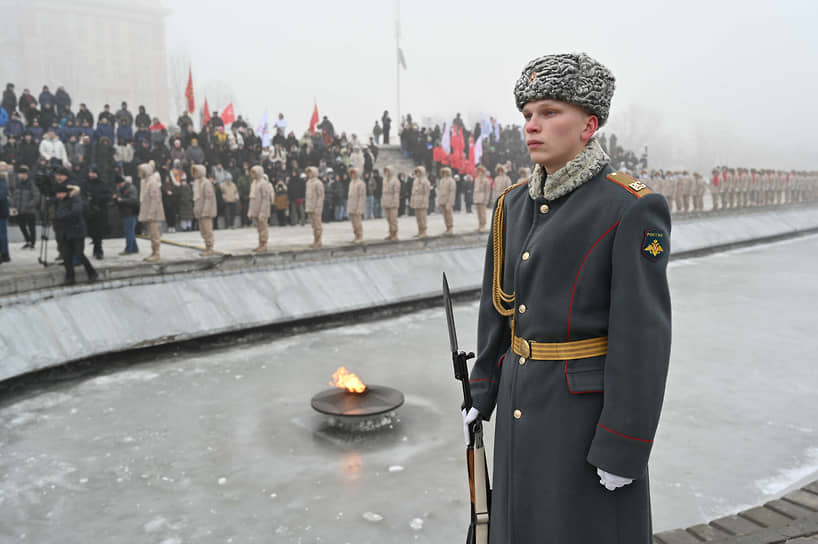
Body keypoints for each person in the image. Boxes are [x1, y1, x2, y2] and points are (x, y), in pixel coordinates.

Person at [464, 52, 671, 543]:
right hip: (520, 401)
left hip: (582, 418)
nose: (532, 126)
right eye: (528, 115)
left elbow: (642, 338)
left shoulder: (629, 206)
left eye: (550, 112)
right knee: (518, 526)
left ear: (589, 125)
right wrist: (482, 388)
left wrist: (624, 445)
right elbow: (500, 309)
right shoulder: (512, 204)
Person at [54, 170, 97, 284]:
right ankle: (70, 277)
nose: (58, 196)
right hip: (65, 232)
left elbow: (75, 212)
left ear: (64, 193)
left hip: (77, 231)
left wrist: (63, 216)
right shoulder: (61, 201)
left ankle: (92, 273)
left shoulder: (75, 198)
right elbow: (58, 214)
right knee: (67, 256)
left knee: (79, 254)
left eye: (59, 193)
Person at [137, 162, 165, 262]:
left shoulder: (152, 182)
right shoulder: (146, 181)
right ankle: (153, 252)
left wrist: (151, 213)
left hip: (153, 214)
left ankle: (156, 253)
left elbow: (155, 199)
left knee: (154, 234)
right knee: (152, 234)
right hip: (149, 213)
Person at [85, 165, 111, 259]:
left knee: (99, 231)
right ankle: (96, 247)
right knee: (92, 231)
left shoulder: (102, 184)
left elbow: (108, 196)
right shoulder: (86, 183)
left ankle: (99, 249)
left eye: (93, 173)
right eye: (90, 172)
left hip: (100, 211)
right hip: (90, 211)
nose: (91, 174)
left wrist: (97, 197)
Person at [10, 164, 39, 249]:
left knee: (31, 227)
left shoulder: (31, 183)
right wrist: (13, 205)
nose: (21, 175)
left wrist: (29, 205)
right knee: (22, 226)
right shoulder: (17, 184)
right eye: (20, 174)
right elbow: (14, 196)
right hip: (19, 210)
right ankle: (27, 240)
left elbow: (36, 196)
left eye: (23, 174)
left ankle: (32, 243)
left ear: (26, 174)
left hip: (29, 210)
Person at [192, 164, 217, 256]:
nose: (194, 173)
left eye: (196, 171)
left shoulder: (206, 183)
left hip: (206, 212)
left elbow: (208, 198)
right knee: (203, 231)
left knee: (207, 230)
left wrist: (205, 211)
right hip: (199, 210)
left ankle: (210, 247)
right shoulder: (197, 183)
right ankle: (207, 247)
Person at [247, 166, 273, 252]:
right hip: (256, 210)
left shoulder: (263, 183)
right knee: (259, 228)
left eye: (254, 172)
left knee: (263, 228)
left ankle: (264, 244)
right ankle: (260, 244)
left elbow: (266, 198)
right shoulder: (253, 183)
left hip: (262, 210)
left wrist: (262, 212)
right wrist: (251, 211)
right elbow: (252, 198)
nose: (252, 174)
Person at [114, 174, 139, 254]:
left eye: (119, 184)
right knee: (130, 231)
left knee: (129, 231)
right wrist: (116, 199)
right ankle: (134, 248)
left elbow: (134, 200)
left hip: (130, 212)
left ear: (123, 182)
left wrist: (122, 200)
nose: (118, 186)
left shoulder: (131, 188)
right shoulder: (120, 188)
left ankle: (128, 249)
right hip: (124, 212)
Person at [304, 166, 325, 248]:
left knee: (317, 225)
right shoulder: (308, 182)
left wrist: (318, 207)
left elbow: (321, 196)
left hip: (316, 207)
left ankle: (319, 240)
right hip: (310, 207)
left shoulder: (318, 183)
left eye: (310, 172)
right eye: (308, 173)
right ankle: (315, 240)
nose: (309, 174)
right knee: (313, 225)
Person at [409, 165, 430, 238]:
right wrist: (412, 202)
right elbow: (413, 193)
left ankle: (424, 231)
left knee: (423, 217)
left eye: (419, 172)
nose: (417, 173)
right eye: (416, 172)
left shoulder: (425, 181)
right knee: (418, 218)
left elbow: (426, 193)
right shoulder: (415, 181)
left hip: (422, 201)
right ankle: (420, 230)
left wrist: (424, 202)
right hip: (416, 201)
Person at [347, 166, 366, 243]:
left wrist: (360, 208)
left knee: (358, 223)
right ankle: (356, 236)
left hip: (357, 205)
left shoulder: (361, 183)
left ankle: (360, 236)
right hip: (351, 205)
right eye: (351, 173)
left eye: (354, 173)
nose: (352, 175)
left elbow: (362, 197)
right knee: (353, 223)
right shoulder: (351, 183)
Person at [380, 165, 400, 240]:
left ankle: (395, 233)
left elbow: (396, 193)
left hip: (392, 202)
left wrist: (395, 202)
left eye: (388, 171)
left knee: (393, 219)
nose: (386, 173)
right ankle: (390, 233)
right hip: (386, 201)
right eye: (385, 171)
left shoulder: (395, 180)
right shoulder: (384, 180)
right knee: (388, 219)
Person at [437, 166, 456, 235]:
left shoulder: (451, 181)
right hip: (442, 200)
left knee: (449, 215)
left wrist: (450, 202)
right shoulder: (441, 180)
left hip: (448, 200)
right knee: (444, 215)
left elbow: (452, 192)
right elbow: (440, 192)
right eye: (443, 172)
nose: (445, 174)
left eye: (446, 172)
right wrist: (438, 201)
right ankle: (447, 228)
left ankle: (450, 228)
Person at [472, 165, 491, 232]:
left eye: (481, 171)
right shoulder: (476, 179)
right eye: (479, 171)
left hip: (483, 197)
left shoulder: (486, 180)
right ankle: (479, 225)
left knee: (483, 213)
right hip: (477, 197)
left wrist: (486, 199)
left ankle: (483, 225)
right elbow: (474, 189)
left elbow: (487, 191)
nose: (480, 173)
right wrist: (474, 198)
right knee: (478, 213)